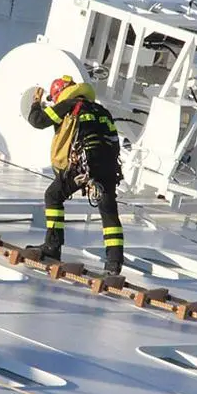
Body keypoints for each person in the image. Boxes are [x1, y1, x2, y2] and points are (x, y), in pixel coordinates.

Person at [25, 75, 124, 275]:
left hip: (83, 165)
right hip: (108, 166)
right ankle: (114, 262)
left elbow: (38, 120)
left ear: (59, 93)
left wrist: (36, 103)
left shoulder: (69, 105)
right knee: (108, 210)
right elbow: (114, 141)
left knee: (53, 196)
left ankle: (52, 246)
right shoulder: (101, 110)